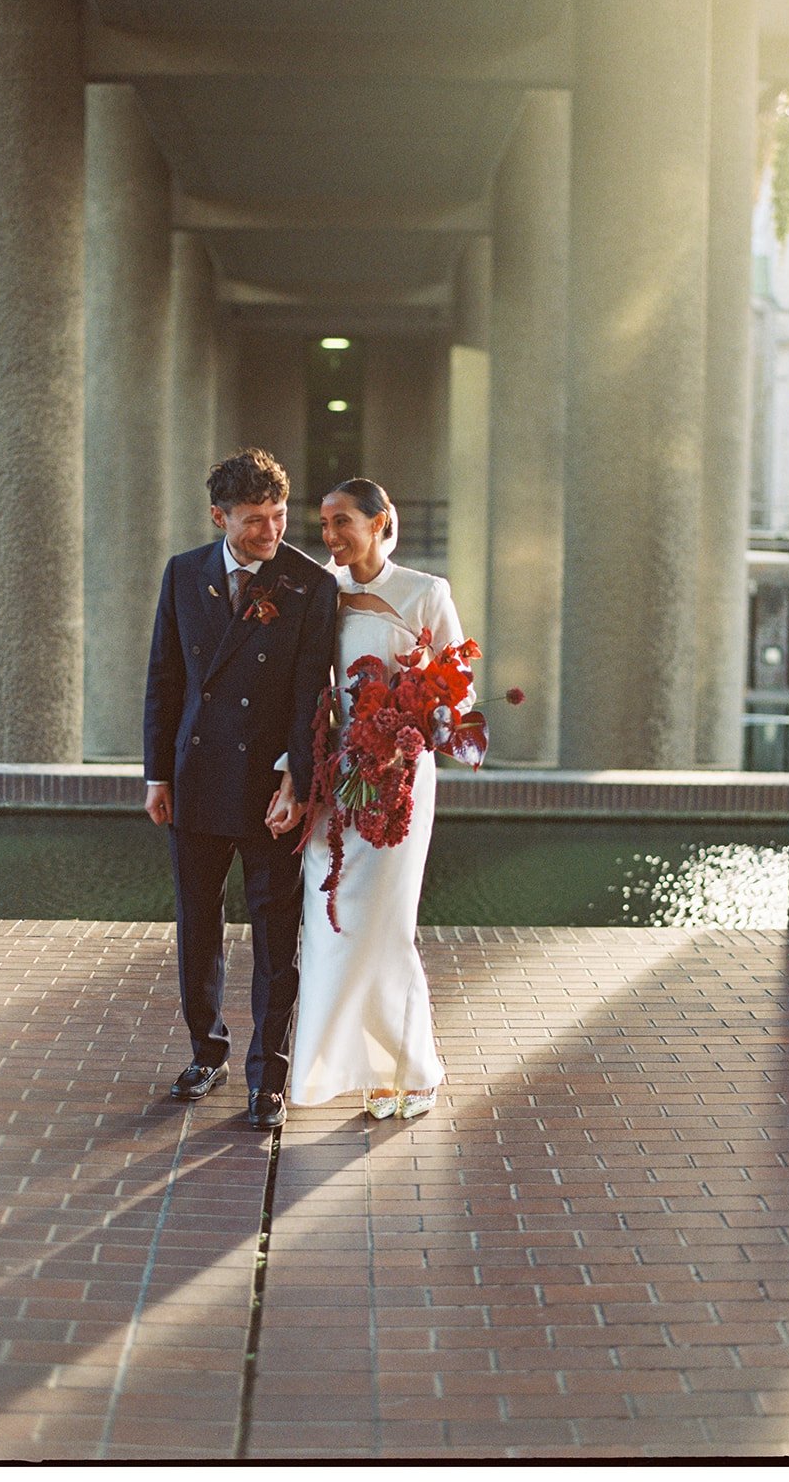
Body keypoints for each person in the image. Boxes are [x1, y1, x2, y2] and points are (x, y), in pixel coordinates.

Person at [143, 448, 337, 1130]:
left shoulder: (309, 584)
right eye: (254, 519)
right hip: (195, 779)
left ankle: (269, 1078)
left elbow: (313, 695)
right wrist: (157, 774)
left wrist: (296, 781)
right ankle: (208, 1053)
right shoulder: (183, 573)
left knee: (276, 936)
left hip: (269, 788)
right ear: (218, 516)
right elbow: (165, 678)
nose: (270, 531)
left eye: (278, 515)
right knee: (198, 927)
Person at [288, 478, 463, 1121]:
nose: (330, 535)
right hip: (339, 777)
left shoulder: (426, 591)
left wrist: (413, 728)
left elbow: (459, 689)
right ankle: (367, 1071)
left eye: (342, 521)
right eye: (324, 523)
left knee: (386, 929)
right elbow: (308, 690)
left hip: (400, 780)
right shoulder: (322, 593)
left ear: (380, 521)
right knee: (331, 923)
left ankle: (411, 1069)